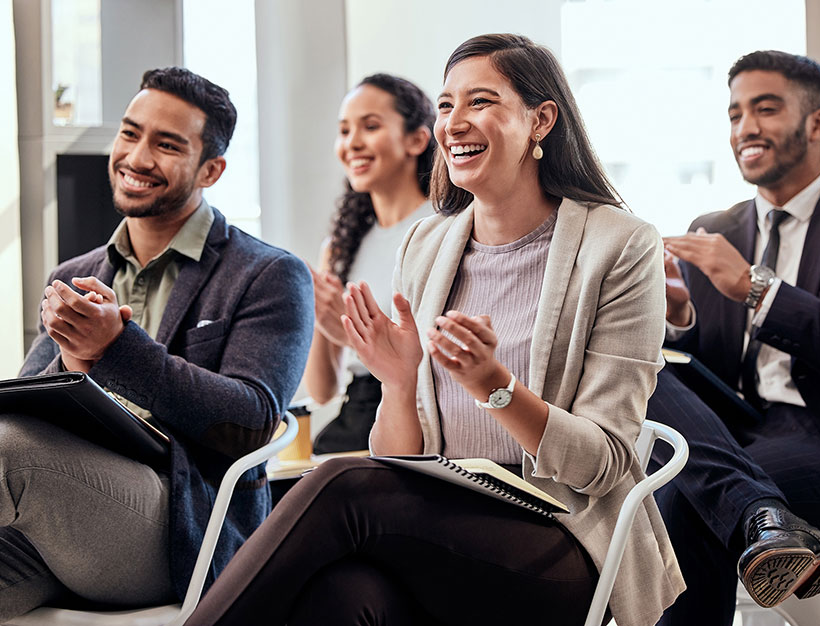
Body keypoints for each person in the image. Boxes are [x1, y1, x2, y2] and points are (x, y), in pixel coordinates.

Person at [185, 33, 683, 626]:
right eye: (446, 105)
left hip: (563, 546)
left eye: (480, 102)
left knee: (341, 481)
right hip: (442, 533)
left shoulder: (620, 245)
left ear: (541, 119)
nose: (454, 123)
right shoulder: (429, 244)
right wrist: (398, 384)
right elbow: (401, 458)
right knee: (342, 595)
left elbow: (602, 464)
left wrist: (494, 386)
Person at [0, 67, 314, 619]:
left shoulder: (268, 273)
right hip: (63, 524)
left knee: (7, 449)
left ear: (211, 169)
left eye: (167, 145)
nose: (137, 157)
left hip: (180, 528)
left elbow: (252, 421)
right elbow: (28, 402)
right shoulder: (74, 273)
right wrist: (75, 362)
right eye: (130, 133)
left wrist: (116, 349)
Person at [648, 50, 820, 626]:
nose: (745, 128)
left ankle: (758, 512)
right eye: (734, 114)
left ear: (816, 124)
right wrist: (679, 317)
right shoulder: (714, 229)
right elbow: (699, 369)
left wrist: (755, 288)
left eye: (765, 109)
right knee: (640, 360)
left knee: (685, 500)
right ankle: (763, 514)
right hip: (728, 431)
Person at [305, 73, 435, 454]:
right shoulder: (340, 248)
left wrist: (352, 337)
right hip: (356, 414)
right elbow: (322, 390)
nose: (352, 143)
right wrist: (322, 320)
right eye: (344, 131)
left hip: (419, 412)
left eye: (371, 126)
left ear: (417, 139)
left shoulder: (444, 229)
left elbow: (436, 364)